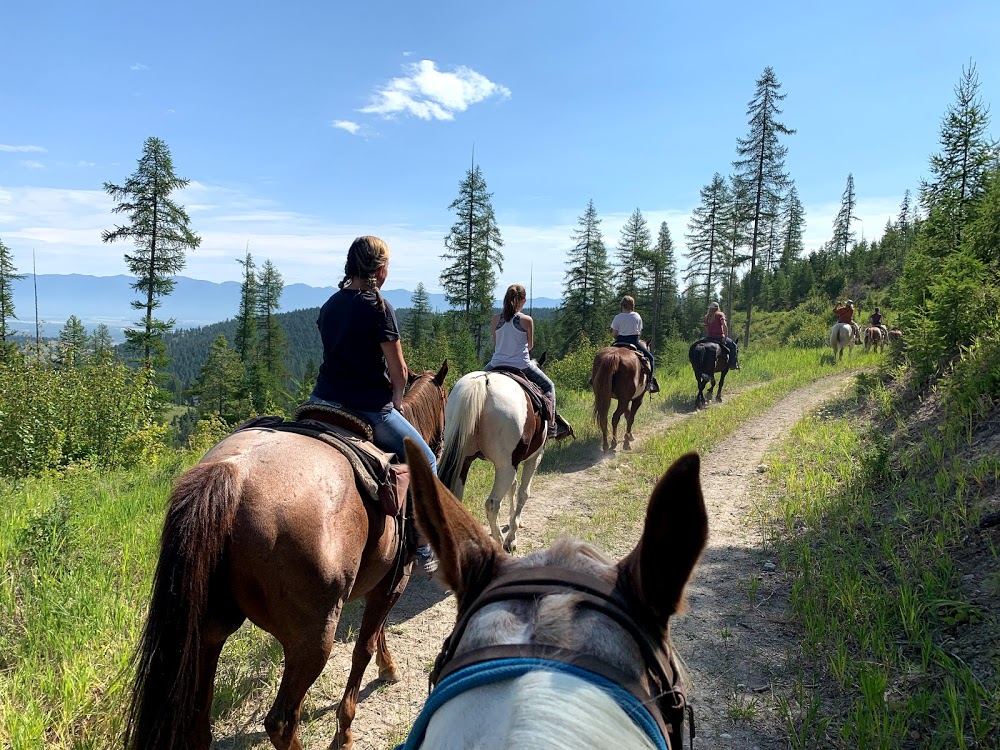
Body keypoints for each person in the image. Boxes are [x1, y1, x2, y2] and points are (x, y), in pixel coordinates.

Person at [310, 235, 438, 571]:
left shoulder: (330, 305)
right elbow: (399, 370)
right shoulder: (379, 308)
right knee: (427, 461)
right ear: (380, 270)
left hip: (321, 400)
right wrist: (396, 398)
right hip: (368, 408)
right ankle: (425, 544)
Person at [485, 284, 573, 439]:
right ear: (523, 301)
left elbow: (496, 342)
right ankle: (552, 426)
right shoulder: (526, 320)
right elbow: (530, 346)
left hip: (495, 364)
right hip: (521, 365)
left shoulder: (495, 319)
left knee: (474, 381)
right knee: (549, 386)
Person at [611, 296, 661, 392]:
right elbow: (639, 332)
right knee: (650, 358)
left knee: (604, 355)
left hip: (619, 341)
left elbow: (614, 334)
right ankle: (649, 383)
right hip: (634, 341)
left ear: (622, 305)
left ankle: (594, 378)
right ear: (632, 305)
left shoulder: (617, 317)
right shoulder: (636, 316)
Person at [702, 302, 740, 370]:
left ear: (710, 308)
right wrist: (725, 337)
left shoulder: (706, 317)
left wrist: (709, 334)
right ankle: (733, 364)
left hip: (709, 338)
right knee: (733, 346)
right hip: (719, 337)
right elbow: (724, 326)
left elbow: (706, 328)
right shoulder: (720, 315)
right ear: (718, 308)